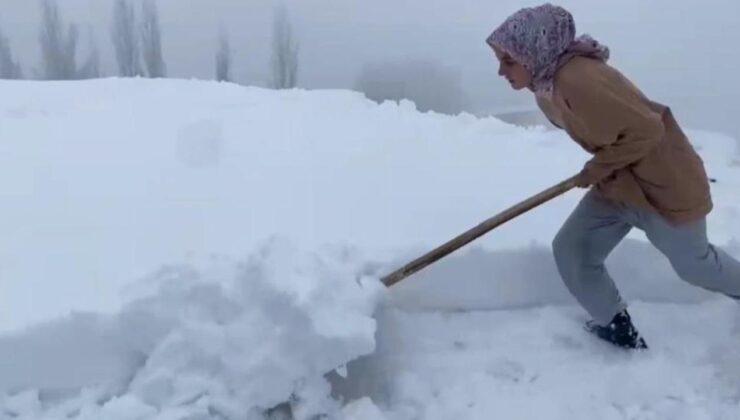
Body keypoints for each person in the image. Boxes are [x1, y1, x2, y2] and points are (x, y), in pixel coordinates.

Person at [486, 3, 740, 350]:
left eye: (508, 60)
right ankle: (615, 324)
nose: (501, 71)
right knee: (573, 249)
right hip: (621, 183)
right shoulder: (548, 83)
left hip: (666, 186)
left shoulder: (577, 79)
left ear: (534, 52)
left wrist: (596, 169)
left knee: (695, 267)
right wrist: (603, 169)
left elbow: (647, 131)